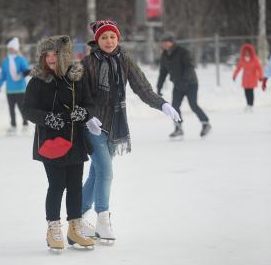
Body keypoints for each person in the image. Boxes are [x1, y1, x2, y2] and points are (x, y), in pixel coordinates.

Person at [80, 20, 181, 243]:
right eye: (104, 37)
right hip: (93, 125)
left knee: (96, 174)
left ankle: (76, 215)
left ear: (118, 39)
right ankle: (103, 221)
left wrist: (163, 104)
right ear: (97, 40)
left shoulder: (124, 60)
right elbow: (80, 95)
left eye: (112, 37)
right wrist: (88, 117)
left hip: (115, 124)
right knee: (105, 171)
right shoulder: (87, 63)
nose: (108, 41)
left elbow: (142, 88)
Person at [23, 35, 95, 251]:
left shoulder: (77, 78)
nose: (51, 59)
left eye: (55, 54)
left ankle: (75, 228)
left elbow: (90, 104)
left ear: (64, 56)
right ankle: (53, 227)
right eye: (47, 55)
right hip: (51, 141)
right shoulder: (38, 80)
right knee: (57, 185)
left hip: (75, 139)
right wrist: (48, 118)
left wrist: (83, 112)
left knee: (75, 186)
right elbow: (27, 109)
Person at [157, 32, 212, 138]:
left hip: (191, 83)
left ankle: (206, 123)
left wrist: (185, 81)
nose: (163, 44)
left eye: (165, 42)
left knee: (193, 104)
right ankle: (178, 127)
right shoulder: (164, 55)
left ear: (171, 42)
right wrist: (159, 86)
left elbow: (189, 67)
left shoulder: (183, 52)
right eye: (162, 42)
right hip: (177, 84)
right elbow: (163, 72)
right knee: (175, 106)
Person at [0, 37, 31, 133]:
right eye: (9, 48)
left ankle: (25, 123)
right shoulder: (6, 60)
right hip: (9, 89)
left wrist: (25, 72)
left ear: (16, 49)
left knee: (21, 108)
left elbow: (26, 70)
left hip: (20, 89)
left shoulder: (21, 59)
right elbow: (3, 74)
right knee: (11, 108)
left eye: (12, 48)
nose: (11, 50)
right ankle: (13, 124)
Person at [232, 43, 264, 111]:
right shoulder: (242, 60)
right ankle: (248, 104)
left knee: (250, 91)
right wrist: (234, 75)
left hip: (252, 78)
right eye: (245, 51)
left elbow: (259, 68)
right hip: (245, 78)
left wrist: (260, 77)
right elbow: (238, 68)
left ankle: (251, 105)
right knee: (246, 92)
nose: (247, 53)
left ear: (251, 52)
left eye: (248, 51)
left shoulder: (255, 60)